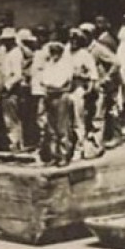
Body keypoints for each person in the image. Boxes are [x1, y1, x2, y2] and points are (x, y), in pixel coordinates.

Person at [32, 36, 77, 166]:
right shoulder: (49, 65)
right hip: (49, 96)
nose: (53, 55)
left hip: (60, 96)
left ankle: (64, 155)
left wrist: (50, 85)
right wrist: (48, 85)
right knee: (51, 129)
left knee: (62, 128)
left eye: (55, 52)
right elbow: (43, 80)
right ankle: (54, 155)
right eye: (52, 52)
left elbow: (61, 83)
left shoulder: (65, 66)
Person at [0, 28, 26, 152]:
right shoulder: (5, 53)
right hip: (4, 91)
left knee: (12, 118)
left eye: (8, 40)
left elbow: (17, 75)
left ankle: (15, 143)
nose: (5, 43)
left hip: (11, 91)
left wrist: (7, 86)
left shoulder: (16, 53)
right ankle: (11, 143)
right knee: (6, 118)